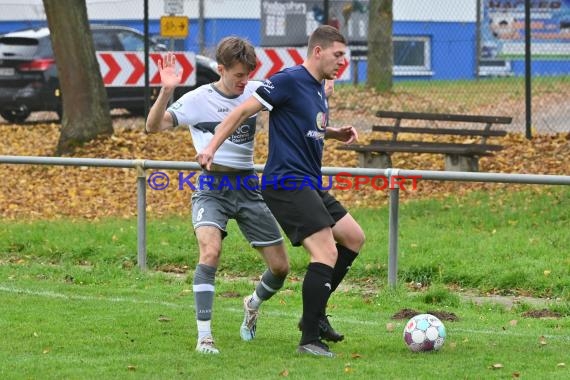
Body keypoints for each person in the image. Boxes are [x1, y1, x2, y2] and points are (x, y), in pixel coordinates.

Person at [197, 25, 366, 358]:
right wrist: (211, 148)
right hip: (285, 182)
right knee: (326, 253)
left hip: (308, 181)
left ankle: (314, 317)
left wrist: (333, 133)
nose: (341, 62)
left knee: (353, 237)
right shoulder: (288, 80)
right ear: (317, 51)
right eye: (337, 55)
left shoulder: (319, 88)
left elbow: (306, 127)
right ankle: (309, 339)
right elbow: (241, 111)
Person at [145, 37, 290, 355]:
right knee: (210, 252)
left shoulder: (255, 91)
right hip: (212, 188)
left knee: (280, 268)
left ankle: (252, 304)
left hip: (248, 188)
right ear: (221, 69)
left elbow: (294, 114)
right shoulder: (198, 99)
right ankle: (205, 338)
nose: (244, 81)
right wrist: (167, 91)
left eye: (248, 74)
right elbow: (153, 126)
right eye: (238, 75)